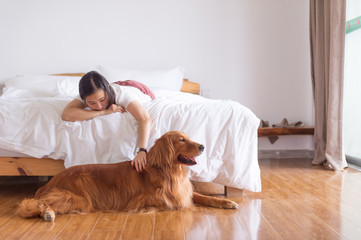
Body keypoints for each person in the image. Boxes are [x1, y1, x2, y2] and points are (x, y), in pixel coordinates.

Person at [62, 71, 152, 172]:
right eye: (92, 103)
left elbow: (144, 119)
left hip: (137, 88)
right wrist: (104, 112)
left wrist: (142, 150)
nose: (99, 106)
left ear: (107, 91)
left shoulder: (122, 94)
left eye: (102, 99)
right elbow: (67, 115)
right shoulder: (87, 94)